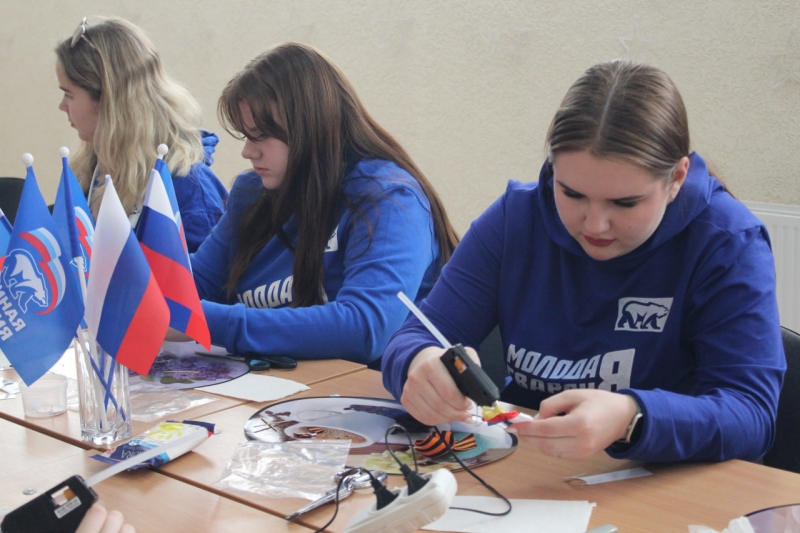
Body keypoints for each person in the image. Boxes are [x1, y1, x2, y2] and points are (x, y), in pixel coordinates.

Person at [382, 60, 786, 463]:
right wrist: (419, 363)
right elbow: (416, 336)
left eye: (625, 203)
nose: (595, 225)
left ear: (677, 179)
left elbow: (751, 415)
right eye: (571, 193)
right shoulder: (514, 219)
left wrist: (632, 417)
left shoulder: (728, 243)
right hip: (529, 468)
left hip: (663, 480)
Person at [187, 43, 458, 366]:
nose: (248, 152)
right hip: (276, 385)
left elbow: (365, 329)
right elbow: (192, 285)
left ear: (310, 128)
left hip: (367, 392)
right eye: (246, 135)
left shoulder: (388, 199)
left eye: (261, 135)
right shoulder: (252, 192)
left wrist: (203, 321)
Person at [56, 17, 228, 252]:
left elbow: (193, 275)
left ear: (108, 101)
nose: (62, 106)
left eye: (69, 94)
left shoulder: (189, 190)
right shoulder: (93, 168)